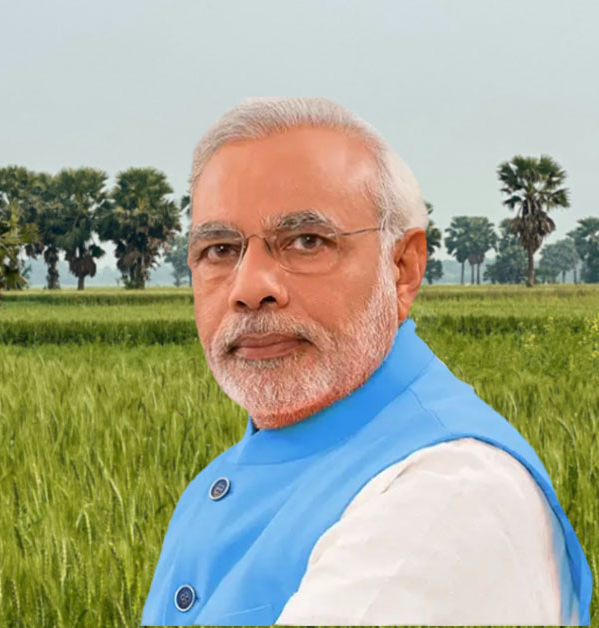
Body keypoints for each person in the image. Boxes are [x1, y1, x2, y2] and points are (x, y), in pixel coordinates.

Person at [140, 97, 591, 626]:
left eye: (306, 241)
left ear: (402, 268)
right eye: (218, 249)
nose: (248, 288)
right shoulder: (230, 474)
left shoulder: (445, 497)